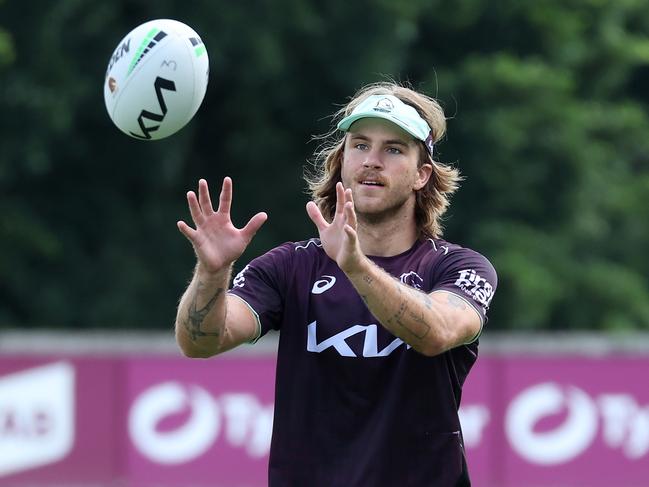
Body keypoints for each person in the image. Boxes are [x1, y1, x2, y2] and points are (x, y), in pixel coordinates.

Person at [175, 82, 497, 486]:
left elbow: (436, 332)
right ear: (342, 160)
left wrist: (355, 265)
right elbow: (200, 343)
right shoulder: (291, 266)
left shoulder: (460, 267)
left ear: (422, 174)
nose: (372, 161)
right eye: (359, 145)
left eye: (393, 149)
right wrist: (211, 273)